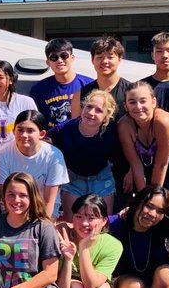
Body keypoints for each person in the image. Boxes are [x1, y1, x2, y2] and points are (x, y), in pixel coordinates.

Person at [118, 80, 169, 208]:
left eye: (143, 101)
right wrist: (143, 197)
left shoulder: (163, 122)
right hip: (147, 169)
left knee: (167, 209)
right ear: (125, 106)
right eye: (132, 102)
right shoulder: (124, 126)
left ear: (153, 102)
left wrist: (153, 196)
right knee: (144, 207)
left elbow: (161, 164)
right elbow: (135, 164)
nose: (138, 106)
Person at [49, 89, 118, 219]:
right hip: (73, 179)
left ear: (106, 117)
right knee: (72, 222)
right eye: (89, 107)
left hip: (102, 178)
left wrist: (130, 172)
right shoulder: (65, 129)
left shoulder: (111, 131)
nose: (91, 113)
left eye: (99, 110)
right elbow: (44, 141)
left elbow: (123, 152)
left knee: (104, 221)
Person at [0, 109, 69, 217]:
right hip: (13, 209)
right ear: (13, 131)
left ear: (42, 134)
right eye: (20, 130)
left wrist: (42, 225)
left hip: (44, 210)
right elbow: (5, 196)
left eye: (30, 131)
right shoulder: (2, 154)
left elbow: (48, 201)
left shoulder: (54, 156)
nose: (24, 135)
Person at [31, 39, 91, 129]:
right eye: (54, 57)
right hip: (51, 136)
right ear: (48, 62)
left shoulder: (88, 85)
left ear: (72, 58)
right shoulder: (38, 89)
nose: (60, 60)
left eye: (64, 56)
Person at [70, 36, 130, 120]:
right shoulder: (80, 94)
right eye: (100, 57)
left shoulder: (130, 91)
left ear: (119, 59)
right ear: (92, 60)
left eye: (110, 57)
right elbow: (75, 125)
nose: (105, 61)